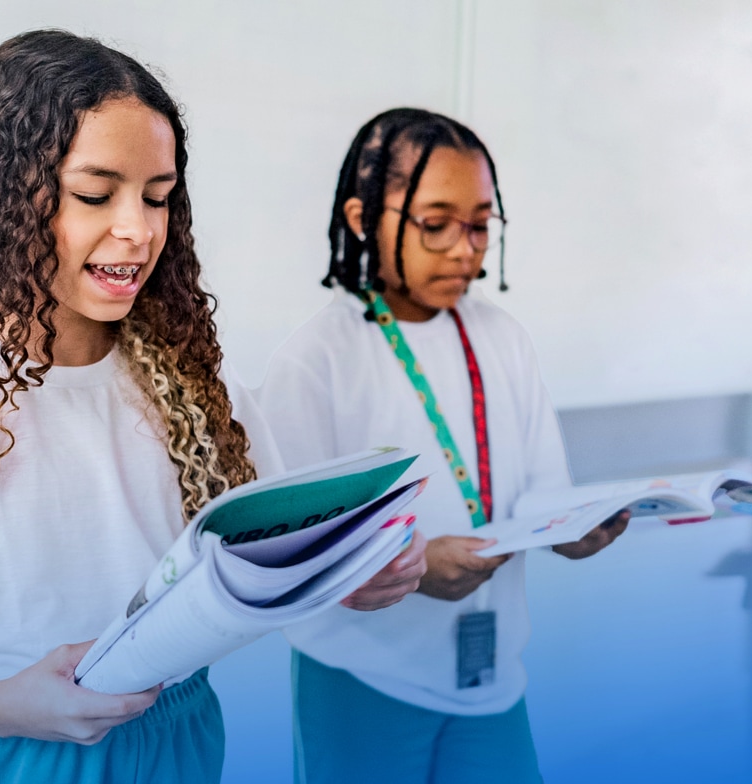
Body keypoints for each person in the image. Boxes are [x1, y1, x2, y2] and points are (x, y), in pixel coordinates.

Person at [0, 32, 422, 784]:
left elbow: (266, 567)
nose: (139, 229)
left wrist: (353, 578)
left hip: (181, 736)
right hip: (15, 751)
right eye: (94, 194)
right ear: (6, 197)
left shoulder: (199, 389)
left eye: (157, 197)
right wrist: (6, 705)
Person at [256, 108, 630, 784]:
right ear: (363, 218)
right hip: (363, 680)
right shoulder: (318, 360)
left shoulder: (502, 337)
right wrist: (416, 564)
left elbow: (540, 491)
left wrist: (573, 530)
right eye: (436, 223)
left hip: (493, 683)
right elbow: (292, 558)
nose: (466, 250)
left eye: (481, 225)